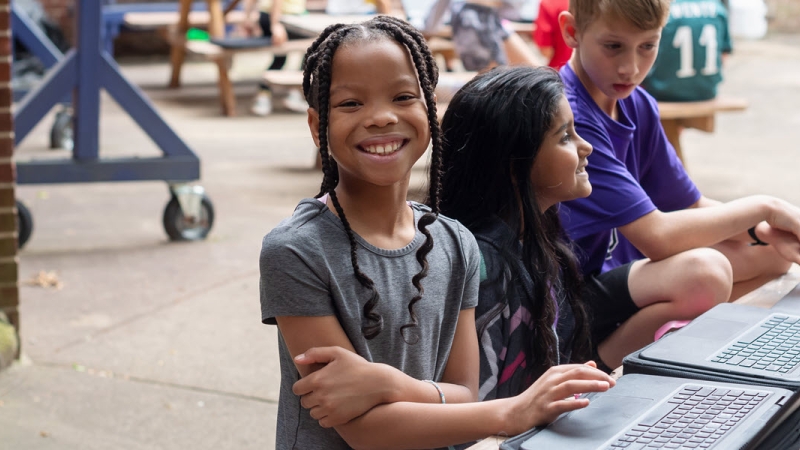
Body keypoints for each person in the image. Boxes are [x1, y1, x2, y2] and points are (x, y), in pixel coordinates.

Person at [259, 16, 615, 449]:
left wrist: (388, 383)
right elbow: (361, 428)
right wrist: (512, 411)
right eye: (351, 104)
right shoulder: (296, 250)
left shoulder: (454, 242)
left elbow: (467, 394)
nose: (382, 117)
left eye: (403, 96)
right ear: (317, 126)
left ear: (429, 108)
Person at [555, 0, 800, 370]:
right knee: (705, 273)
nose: (631, 67)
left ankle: (674, 338)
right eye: (613, 46)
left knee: (774, 251)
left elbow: (689, 206)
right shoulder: (569, 115)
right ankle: (597, 364)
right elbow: (658, 237)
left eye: (647, 46)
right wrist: (766, 208)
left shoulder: (638, 103)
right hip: (567, 303)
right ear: (572, 31)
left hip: (626, 276)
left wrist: (764, 230)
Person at [439, 65, 604, 400]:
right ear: (516, 165)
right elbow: (478, 407)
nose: (585, 147)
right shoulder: (484, 267)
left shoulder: (533, 242)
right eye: (565, 136)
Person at [642, 0, 733, 102]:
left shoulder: (661, 7)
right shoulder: (718, 8)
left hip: (662, 92)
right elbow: (724, 55)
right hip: (707, 93)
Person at [423, 0, 541, 71]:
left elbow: (512, 9)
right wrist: (430, 28)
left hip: (492, 17)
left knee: (536, 71)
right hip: (472, 19)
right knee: (495, 79)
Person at [240, 0, 308, 115]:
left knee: (280, 58)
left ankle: (265, 95)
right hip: (284, 19)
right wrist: (275, 24)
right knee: (311, 47)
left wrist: (247, 19)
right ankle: (294, 92)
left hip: (268, 16)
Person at [533, 0, 571, 68]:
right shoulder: (590, 3)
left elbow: (546, 51)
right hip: (589, 72)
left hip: (559, 71)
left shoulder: (548, 3)